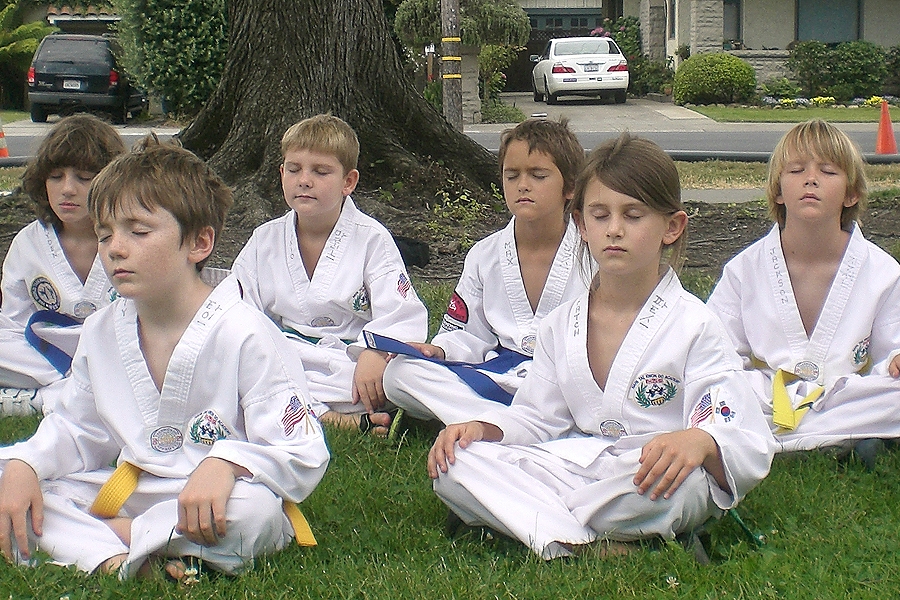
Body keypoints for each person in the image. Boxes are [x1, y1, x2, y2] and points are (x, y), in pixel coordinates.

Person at [427, 133, 774, 560]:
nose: (614, 230)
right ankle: (595, 544)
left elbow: (741, 435)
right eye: (600, 214)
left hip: (644, 474)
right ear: (581, 225)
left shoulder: (695, 325)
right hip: (574, 466)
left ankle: (527, 521)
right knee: (458, 464)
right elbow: (537, 419)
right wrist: (483, 429)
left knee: (682, 486)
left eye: (633, 215)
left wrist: (700, 440)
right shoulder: (561, 324)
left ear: (672, 227)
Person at [0, 138, 330, 581]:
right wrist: (28, 464)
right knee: (13, 480)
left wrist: (228, 463)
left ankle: (108, 544)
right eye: (104, 234)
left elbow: (302, 450)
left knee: (256, 513)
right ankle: (135, 553)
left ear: (198, 242)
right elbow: (77, 429)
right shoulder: (101, 331)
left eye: (138, 232)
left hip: (217, 496)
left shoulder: (245, 331)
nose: (115, 248)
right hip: (130, 490)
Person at [707, 119, 900, 462]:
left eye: (828, 171)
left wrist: (896, 362)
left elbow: (892, 353)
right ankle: (840, 437)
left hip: (845, 398)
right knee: (713, 390)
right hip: (767, 398)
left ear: (852, 193)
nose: (811, 179)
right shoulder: (743, 271)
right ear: (778, 191)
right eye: (796, 170)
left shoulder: (882, 272)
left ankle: (776, 440)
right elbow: (715, 353)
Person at [230, 114, 428, 436]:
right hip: (291, 355)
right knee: (245, 369)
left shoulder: (371, 238)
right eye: (294, 169)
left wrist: (376, 351)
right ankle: (332, 417)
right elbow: (238, 309)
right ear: (281, 174)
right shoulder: (264, 240)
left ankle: (303, 410)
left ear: (348, 182)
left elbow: (400, 312)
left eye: (320, 172)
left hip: (354, 361)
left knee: (404, 375)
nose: (304, 180)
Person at [381, 118, 587, 426]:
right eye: (512, 175)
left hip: (564, 382)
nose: (523, 185)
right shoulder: (484, 254)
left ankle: (495, 423)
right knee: (399, 374)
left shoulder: (592, 254)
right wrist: (439, 349)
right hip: (501, 379)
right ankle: (516, 424)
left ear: (570, 186)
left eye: (538, 175)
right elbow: (468, 335)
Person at [0, 114, 125, 415]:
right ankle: (79, 390)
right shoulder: (28, 243)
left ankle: (42, 399)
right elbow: (12, 325)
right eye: (56, 177)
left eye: (84, 177)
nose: (67, 189)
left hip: (116, 352)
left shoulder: (130, 240)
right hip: (45, 353)